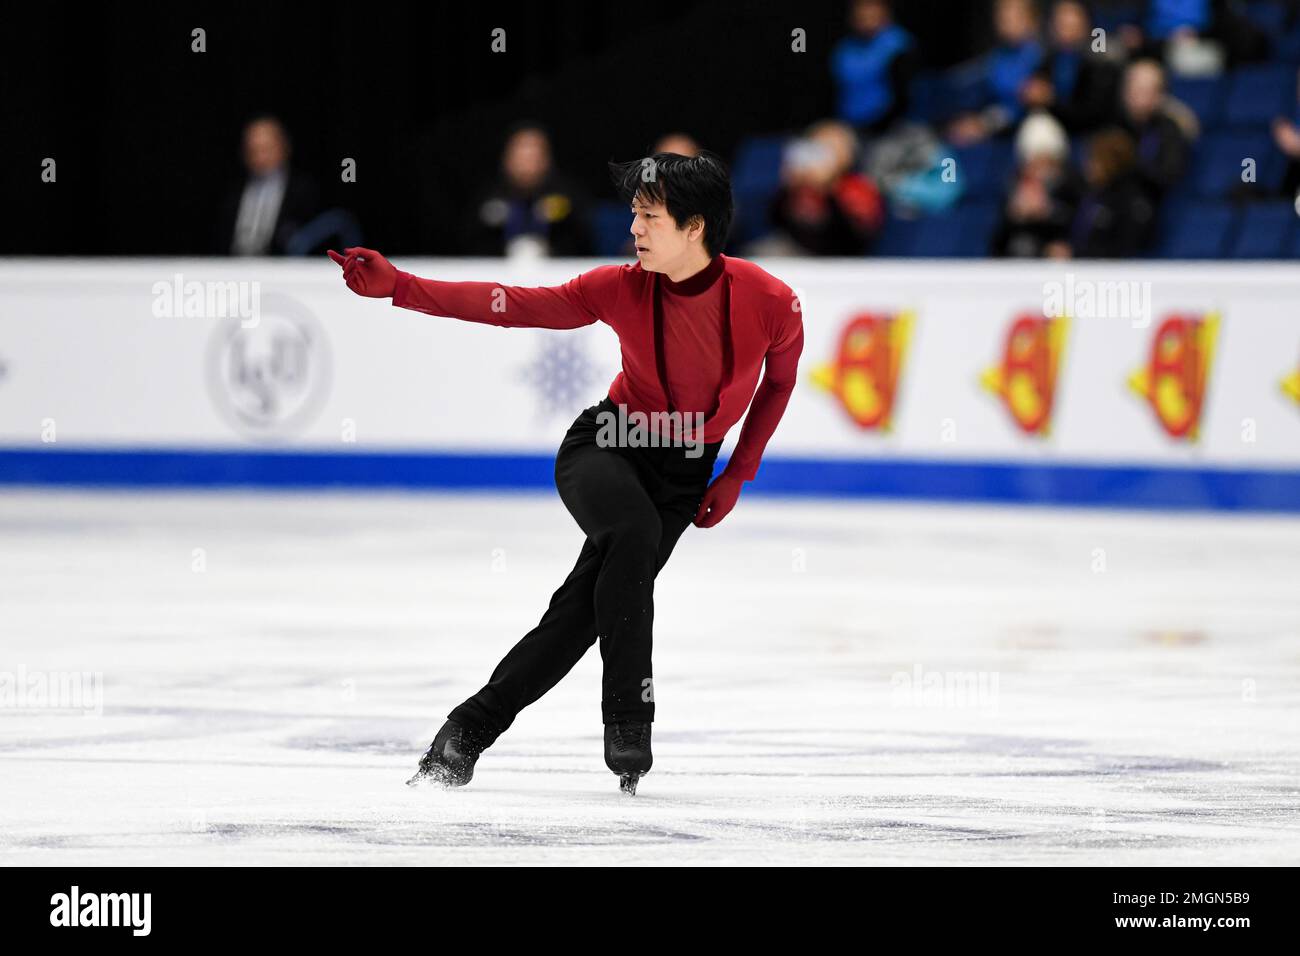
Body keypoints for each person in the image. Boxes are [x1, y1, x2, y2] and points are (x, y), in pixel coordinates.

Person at [326, 151, 803, 794]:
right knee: (629, 535)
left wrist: (737, 472)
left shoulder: (770, 300)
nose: (634, 228)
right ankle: (630, 721)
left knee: (581, 611)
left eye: (650, 216)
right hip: (606, 444)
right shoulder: (619, 288)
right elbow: (510, 303)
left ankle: (466, 731)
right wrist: (401, 287)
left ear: (696, 227)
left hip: (687, 474)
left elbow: (779, 381)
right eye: (634, 213)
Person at [470, 123, 593, 258]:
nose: (527, 165)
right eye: (521, 157)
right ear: (507, 159)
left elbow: (586, 240)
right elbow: (470, 241)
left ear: (546, 159)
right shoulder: (488, 196)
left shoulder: (569, 195)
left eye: (533, 157)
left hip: (558, 271)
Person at [217, 116, 320, 256]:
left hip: (283, 271)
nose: (260, 157)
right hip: (231, 269)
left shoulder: (303, 191)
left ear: (284, 147)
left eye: (266, 149)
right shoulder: (232, 191)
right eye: (253, 150)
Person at [830, 0, 918, 139]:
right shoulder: (844, 48)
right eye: (861, 15)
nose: (867, 19)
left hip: (892, 127)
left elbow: (906, 94)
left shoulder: (899, 45)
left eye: (872, 13)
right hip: (850, 125)